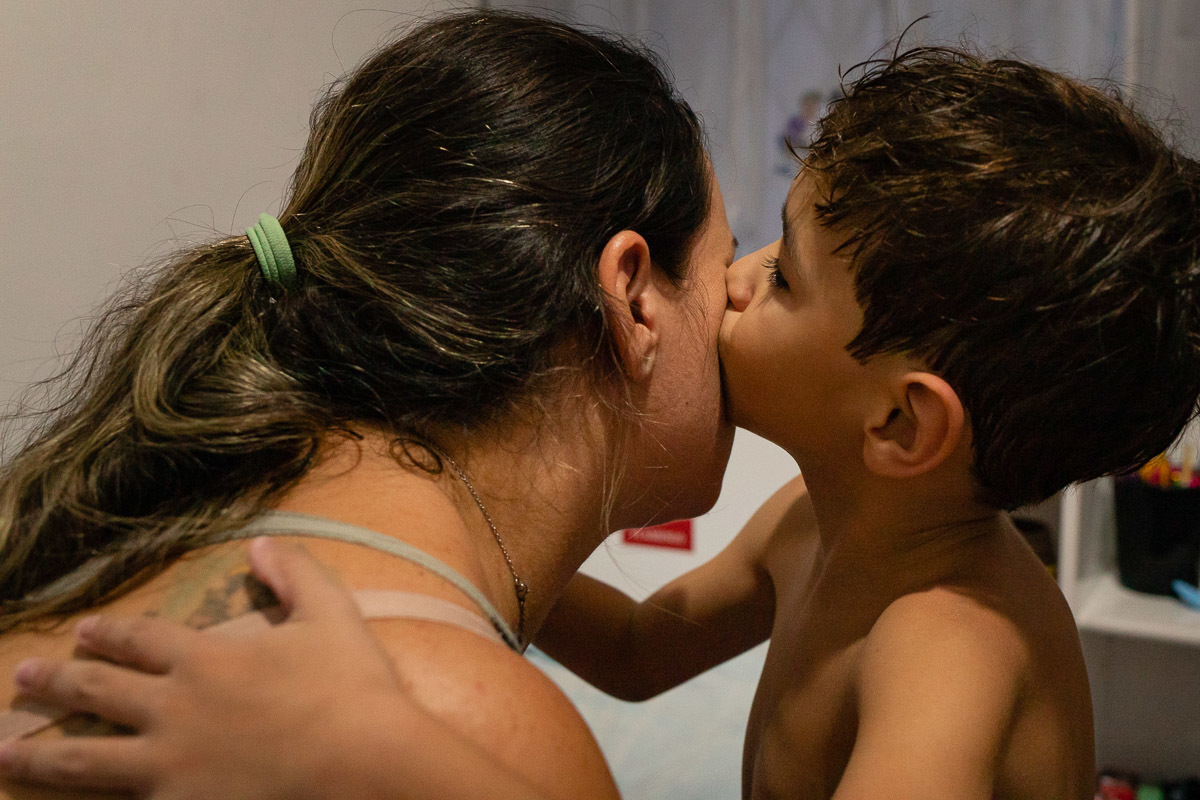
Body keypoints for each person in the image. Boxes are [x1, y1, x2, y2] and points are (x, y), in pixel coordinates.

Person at [5, 42, 1200, 800]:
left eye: (785, 280)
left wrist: (381, 756)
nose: (741, 282)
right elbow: (636, 651)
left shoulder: (949, 650)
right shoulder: (811, 524)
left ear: (899, 425)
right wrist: (467, 480)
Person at [0, 9, 739, 799]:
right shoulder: (458, 733)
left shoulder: (131, 534)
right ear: (632, 300)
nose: (739, 314)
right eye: (724, 273)